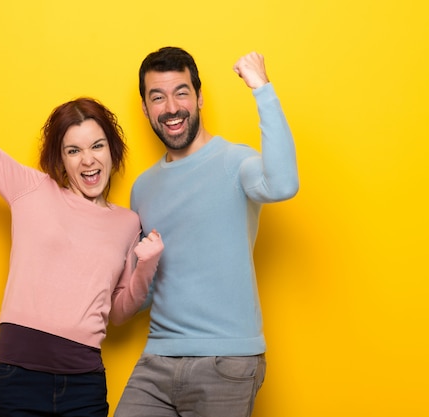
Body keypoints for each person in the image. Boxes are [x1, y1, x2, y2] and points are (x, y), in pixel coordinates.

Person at [0, 25, 164, 417]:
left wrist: (146, 265)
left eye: (97, 146)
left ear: (112, 151)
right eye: (74, 150)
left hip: (83, 383)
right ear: (61, 159)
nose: (88, 160)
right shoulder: (31, 189)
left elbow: (118, 313)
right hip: (16, 377)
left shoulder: (127, 222)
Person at [114, 47, 299, 417]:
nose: (171, 107)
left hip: (226, 360)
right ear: (145, 109)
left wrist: (261, 87)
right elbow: (146, 291)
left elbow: (283, 185)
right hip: (157, 359)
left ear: (199, 98)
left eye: (181, 92)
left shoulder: (235, 162)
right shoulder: (142, 188)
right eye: (157, 97)